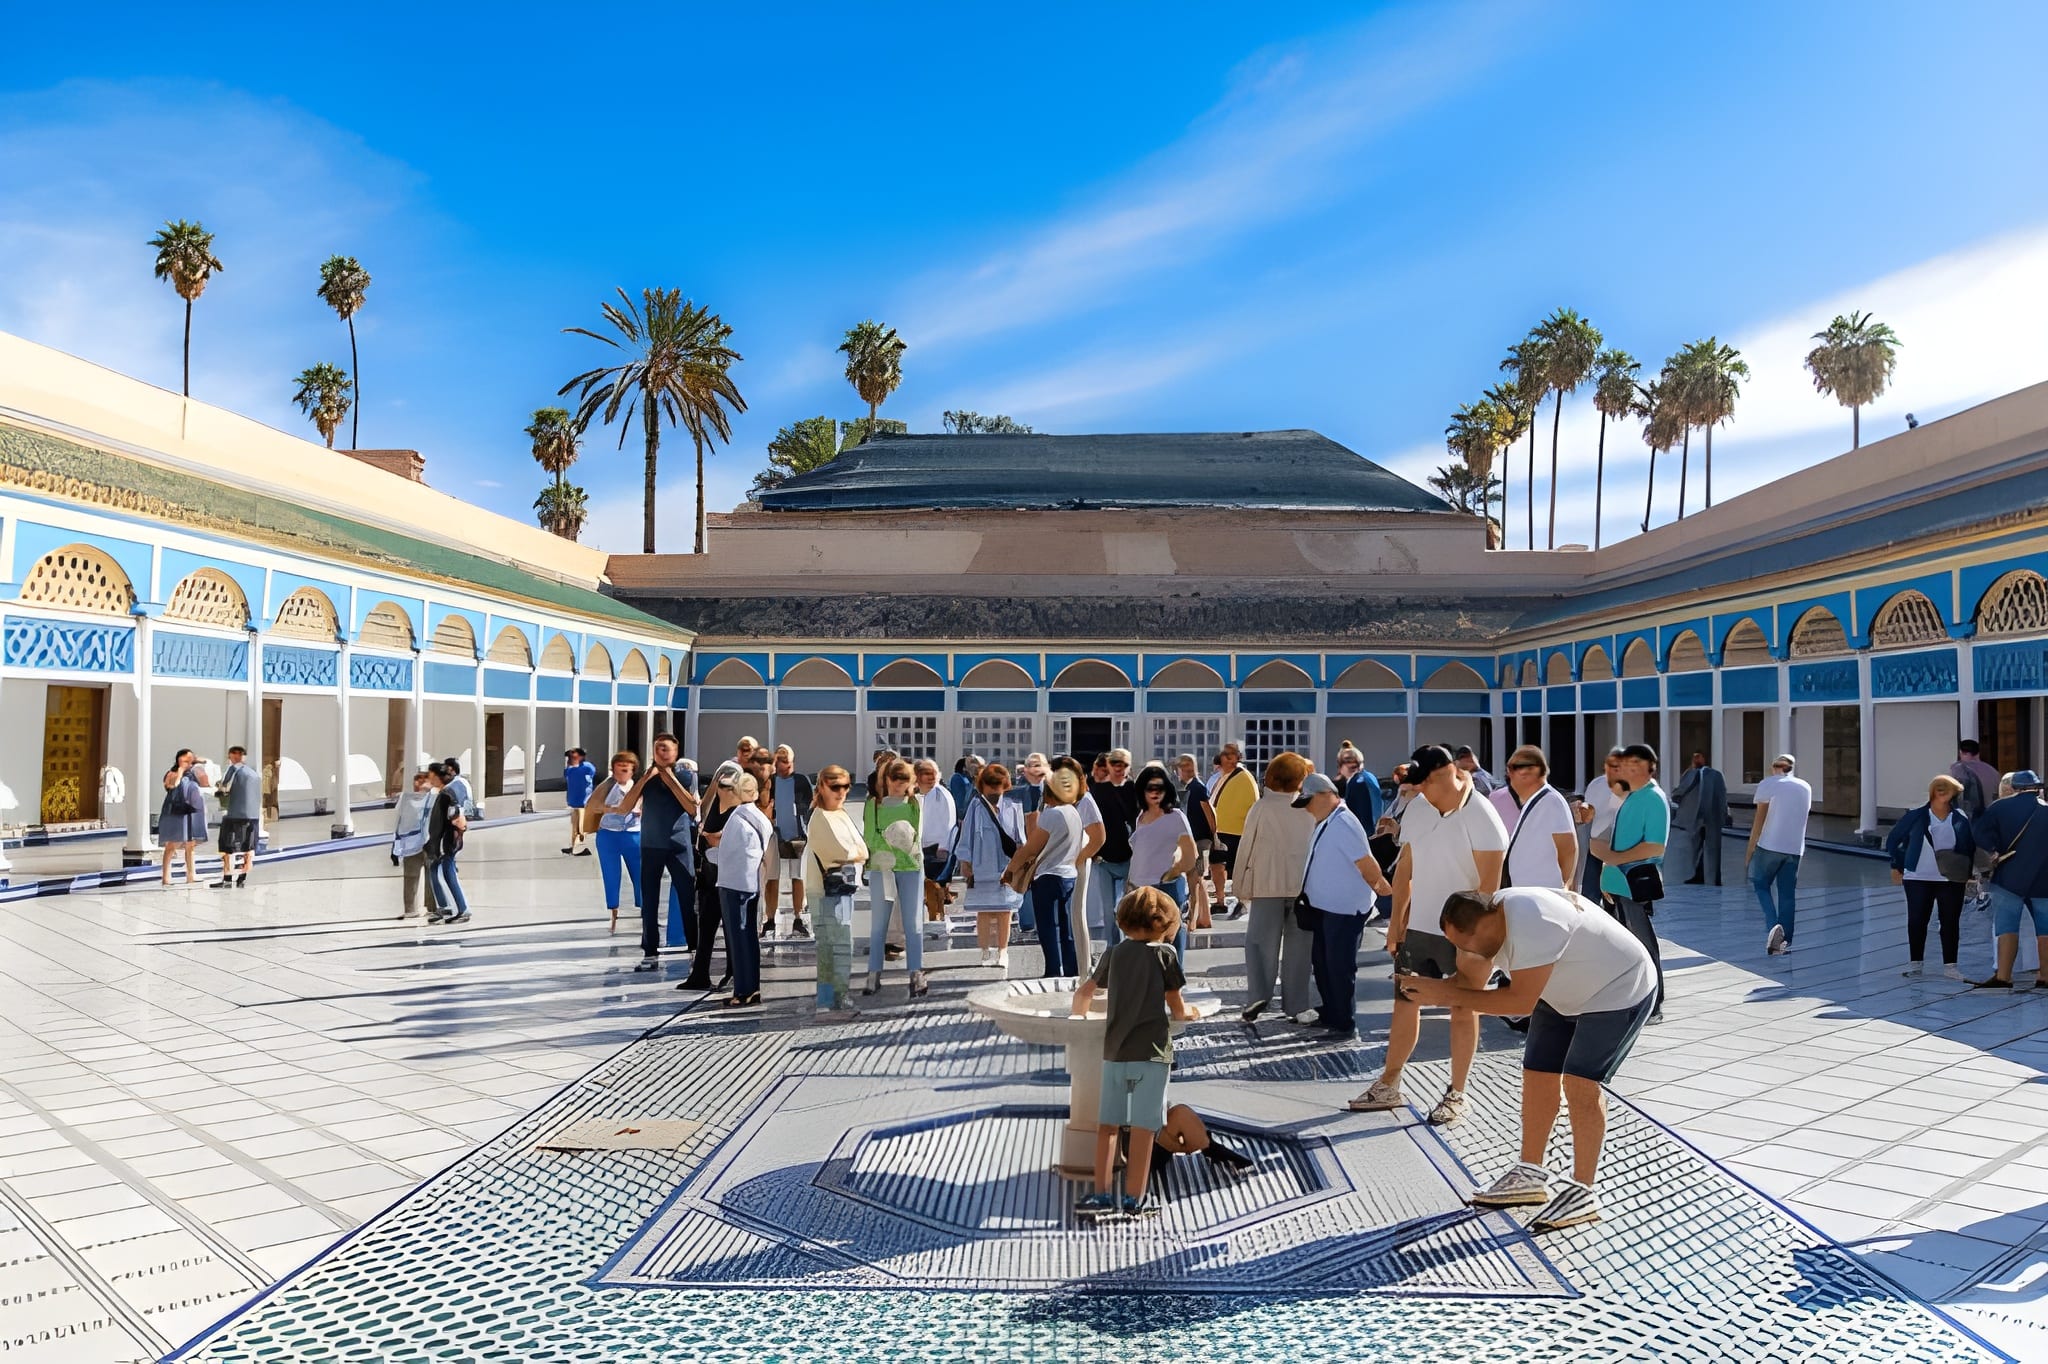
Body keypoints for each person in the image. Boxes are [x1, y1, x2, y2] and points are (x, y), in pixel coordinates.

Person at [1403, 887, 1657, 1232]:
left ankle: (1584, 1191)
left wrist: (1444, 994)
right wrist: (1429, 987)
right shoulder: (1488, 927)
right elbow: (1467, 986)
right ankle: (1530, 1174)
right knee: (1536, 1074)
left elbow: (1519, 1003)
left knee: (1580, 1083)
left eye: (1465, 943)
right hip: (1562, 992)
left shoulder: (1533, 920)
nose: (1465, 952)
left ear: (1486, 923)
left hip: (1619, 987)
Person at [1349, 744, 1507, 1125]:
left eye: (1423, 783)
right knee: (1405, 1001)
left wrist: (1477, 947)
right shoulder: (1418, 808)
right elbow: (1406, 870)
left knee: (1463, 1008)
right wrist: (1397, 925)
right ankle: (1389, 1083)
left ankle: (1457, 1093)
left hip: (1464, 934)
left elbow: (1489, 888)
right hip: (1420, 926)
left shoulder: (1483, 815)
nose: (1418, 791)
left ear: (1445, 773)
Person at [1068, 886, 1197, 1219]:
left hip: (1115, 1054)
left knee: (1107, 1127)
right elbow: (1176, 1007)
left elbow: (1085, 992)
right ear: (1163, 924)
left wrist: (1077, 1018)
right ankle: (1133, 1200)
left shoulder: (1114, 953)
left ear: (1122, 921)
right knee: (1142, 1132)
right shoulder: (1164, 955)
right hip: (1152, 1055)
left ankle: (1099, 1195)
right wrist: (1190, 1014)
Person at [1295, 772, 1396, 1037]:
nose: (1306, 808)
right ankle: (1331, 1011)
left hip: (1344, 909)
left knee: (1339, 966)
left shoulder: (1344, 823)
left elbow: (1366, 864)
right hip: (1326, 907)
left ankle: (1343, 1020)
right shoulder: (1329, 820)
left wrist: (1385, 891)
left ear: (1325, 795)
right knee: (1324, 963)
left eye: (1308, 801)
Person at [1233, 752, 1319, 1023]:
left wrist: (1240, 886)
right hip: (1303, 887)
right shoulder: (1309, 807)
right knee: (1300, 948)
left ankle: (1259, 995)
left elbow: (1246, 846)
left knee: (1259, 943)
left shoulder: (1262, 806)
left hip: (1266, 883)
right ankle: (1296, 1004)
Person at [1590, 743, 1668, 1022]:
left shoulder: (1653, 799)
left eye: (1635, 765)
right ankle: (1631, 999)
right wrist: (1606, 872)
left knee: (1644, 947)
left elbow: (1655, 847)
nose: (1628, 770)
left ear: (1650, 768)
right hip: (1617, 884)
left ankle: (1654, 1005)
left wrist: (1613, 857)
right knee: (1624, 947)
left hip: (1633, 883)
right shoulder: (1632, 797)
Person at [1885, 775, 1975, 979]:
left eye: (1947, 788)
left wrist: (1969, 873)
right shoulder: (1916, 815)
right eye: (1939, 788)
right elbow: (1893, 840)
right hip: (1917, 876)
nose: (1942, 791)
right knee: (1917, 920)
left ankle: (1950, 966)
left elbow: (1968, 847)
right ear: (1932, 791)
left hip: (1951, 878)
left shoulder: (1959, 817)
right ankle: (1915, 963)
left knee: (1950, 922)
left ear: (1955, 792)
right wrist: (1897, 864)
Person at [1964, 769, 2048, 990]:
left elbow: (1979, 832)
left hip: (2009, 877)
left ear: (2014, 788)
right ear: (2037, 788)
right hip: (2043, 879)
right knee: (2045, 929)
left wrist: (1993, 850)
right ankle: (2045, 977)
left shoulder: (2000, 807)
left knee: (2007, 926)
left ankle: (2003, 976)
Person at [622, 733, 698, 974]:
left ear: (675, 752)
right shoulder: (648, 778)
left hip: (678, 844)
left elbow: (691, 809)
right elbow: (626, 806)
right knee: (650, 900)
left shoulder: (685, 775)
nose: (662, 753)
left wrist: (671, 778)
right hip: (651, 844)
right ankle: (650, 951)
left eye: (666, 749)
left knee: (687, 896)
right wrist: (645, 779)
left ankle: (695, 948)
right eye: (658, 749)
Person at [1005, 766, 1087, 977]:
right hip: (1069, 874)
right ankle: (1071, 968)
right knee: (1067, 927)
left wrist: (1010, 870)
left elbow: (1032, 847)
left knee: (1048, 927)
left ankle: (1053, 968)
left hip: (1048, 875)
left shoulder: (1052, 815)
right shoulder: (1074, 812)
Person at [863, 757, 928, 999]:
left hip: (910, 866)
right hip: (882, 868)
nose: (900, 785)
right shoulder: (874, 805)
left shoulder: (915, 804)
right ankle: (873, 973)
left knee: (913, 924)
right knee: (879, 924)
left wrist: (895, 844)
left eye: (905, 780)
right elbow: (869, 836)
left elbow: (916, 836)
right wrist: (891, 846)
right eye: (896, 779)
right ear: (886, 779)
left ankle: (915, 972)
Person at [805, 765, 868, 1015]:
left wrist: (854, 853)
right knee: (830, 947)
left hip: (844, 890)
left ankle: (838, 995)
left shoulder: (841, 814)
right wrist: (854, 853)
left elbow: (863, 850)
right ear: (821, 787)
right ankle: (828, 998)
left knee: (842, 946)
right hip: (823, 891)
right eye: (835, 787)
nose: (841, 792)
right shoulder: (819, 817)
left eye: (845, 786)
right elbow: (842, 852)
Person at [708, 770, 772, 1008]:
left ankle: (744, 991)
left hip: (733, 885)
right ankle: (750, 987)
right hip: (750, 883)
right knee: (748, 938)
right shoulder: (759, 818)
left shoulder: (737, 819)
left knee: (738, 939)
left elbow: (729, 854)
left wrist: (709, 851)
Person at [1125, 763, 1199, 961]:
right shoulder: (1140, 817)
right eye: (1150, 788)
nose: (1155, 792)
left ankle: (1173, 990)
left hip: (1166, 889)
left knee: (1171, 950)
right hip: (1140, 890)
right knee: (1144, 951)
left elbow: (1191, 855)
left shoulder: (1176, 817)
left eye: (1160, 788)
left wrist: (1172, 873)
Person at [957, 762, 1027, 967]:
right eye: (990, 785)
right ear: (982, 786)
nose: (995, 790)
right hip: (981, 865)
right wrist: (965, 861)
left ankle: (1003, 951)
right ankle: (985, 949)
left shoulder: (1013, 807)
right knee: (984, 911)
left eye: (998, 785)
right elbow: (966, 835)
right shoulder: (975, 806)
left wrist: (1019, 866)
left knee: (1005, 911)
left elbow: (1020, 839)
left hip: (1006, 867)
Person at [1746, 753, 1812, 955]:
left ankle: (1774, 928)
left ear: (1774, 767)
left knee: (1760, 884)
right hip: (1794, 848)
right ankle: (1785, 943)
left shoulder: (1768, 784)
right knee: (1787, 894)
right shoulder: (1805, 787)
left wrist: (1750, 849)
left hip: (1770, 845)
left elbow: (1760, 819)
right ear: (1791, 768)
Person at [1501, 745, 1577, 892]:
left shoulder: (1551, 802)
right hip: (1529, 895)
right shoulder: (1536, 801)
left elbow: (1568, 849)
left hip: (1545, 896)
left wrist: (1566, 888)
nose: (1510, 779)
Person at [590, 751, 644, 934]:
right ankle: (613, 912)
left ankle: (646, 911)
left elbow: (646, 804)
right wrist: (612, 809)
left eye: (625, 770)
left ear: (632, 771)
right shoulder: (606, 786)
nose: (621, 773)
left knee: (641, 874)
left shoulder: (638, 787)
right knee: (611, 874)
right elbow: (592, 806)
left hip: (633, 834)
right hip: (608, 835)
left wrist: (639, 810)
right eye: (617, 769)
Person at [764, 744, 814, 940]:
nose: (783, 765)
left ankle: (798, 916)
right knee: (772, 877)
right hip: (775, 834)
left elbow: (808, 805)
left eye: (786, 761)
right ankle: (770, 918)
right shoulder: (771, 781)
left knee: (797, 876)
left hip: (797, 835)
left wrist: (803, 826)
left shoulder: (801, 781)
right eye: (780, 760)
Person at [1090, 750, 1140, 942]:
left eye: (1124, 765)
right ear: (1109, 765)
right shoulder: (1098, 791)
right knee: (1108, 908)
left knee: (1130, 905)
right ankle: (1113, 948)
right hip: (1104, 857)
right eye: (1115, 764)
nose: (1119, 768)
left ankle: (1132, 943)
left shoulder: (1134, 790)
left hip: (1130, 856)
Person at [1206, 743, 1259, 916]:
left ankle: (1242, 901)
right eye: (1225, 756)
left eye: (1231, 756)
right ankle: (1220, 900)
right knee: (1216, 865)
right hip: (1220, 830)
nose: (1227, 760)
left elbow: (1253, 804)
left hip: (1238, 831)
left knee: (1238, 869)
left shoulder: (1244, 777)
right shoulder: (1223, 776)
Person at [1572, 749, 1627, 902]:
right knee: (1591, 896)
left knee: (1621, 899)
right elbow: (1588, 814)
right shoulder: (1596, 784)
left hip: (1621, 848)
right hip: (1597, 846)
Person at [915, 758, 959, 939]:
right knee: (928, 889)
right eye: (925, 773)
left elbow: (950, 822)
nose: (930, 777)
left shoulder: (942, 793)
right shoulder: (916, 795)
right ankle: (934, 920)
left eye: (933, 773)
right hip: (920, 846)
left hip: (937, 848)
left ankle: (937, 922)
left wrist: (944, 847)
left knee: (934, 887)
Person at [1670, 752, 1729, 886]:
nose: (1697, 759)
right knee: (1696, 847)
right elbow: (1681, 791)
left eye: (1699, 756)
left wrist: (1724, 813)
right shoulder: (1691, 774)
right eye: (1695, 757)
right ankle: (1698, 875)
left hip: (1710, 816)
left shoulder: (1713, 775)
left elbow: (1722, 795)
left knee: (1711, 848)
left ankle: (1713, 878)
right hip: (1696, 818)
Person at [423, 762, 470, 924]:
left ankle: (462, 909)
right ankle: (445, 907)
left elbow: (456, 816)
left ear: (437, 776)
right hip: (441, 841)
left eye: (430, 776)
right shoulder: (443, 792)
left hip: (445, 842)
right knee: (435, 871)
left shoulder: (448, 793)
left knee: (448, 873)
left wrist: (457, 827)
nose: (429, 779)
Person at [158, 750, 211, 887]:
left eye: (190, 760)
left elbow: (206, 782)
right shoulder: (172, 773)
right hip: (175, 810)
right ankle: (166, 877)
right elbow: (172, 785)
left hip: (191, 810)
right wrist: (180, 771)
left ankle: (191, 875)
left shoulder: (194, 773)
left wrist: (198, 762)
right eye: (184, 760)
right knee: (172, 844)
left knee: (190, 844)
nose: (188, 763)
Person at [211, 745, 261, 889]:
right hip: (252, 816)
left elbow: (224, 789)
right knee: (247, 846)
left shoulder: (233, 770)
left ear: (230, 756)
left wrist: (218, 789)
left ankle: (227, 878)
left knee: (227, 846)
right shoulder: (254, 773)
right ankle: (241, 878)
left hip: (234, 814)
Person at [1176, 753, 1217, 928]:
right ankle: (1204, 918)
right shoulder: (1192, 787)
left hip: (1200, 839)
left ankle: (1192, 920)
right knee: (1199, 880)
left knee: (1195, 879)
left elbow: (1209, 812)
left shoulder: (1197, 788)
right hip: (1200, 839)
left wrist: (1214, 835)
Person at [391, 769, 434, 919]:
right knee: (410, 877)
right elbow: (399, 822)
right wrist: (394, 847)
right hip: (410, 844)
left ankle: (433, 908)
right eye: (418, 780)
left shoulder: (434, 797)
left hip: (430, 842)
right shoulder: (406, 799)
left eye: (424, 780)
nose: (420, 783)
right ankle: (410, 909)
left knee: (431, 877)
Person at [1336, 743, 1383, 830]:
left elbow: (1357, 814)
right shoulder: (1369, 776)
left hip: (1364, 833)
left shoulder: (1356, 783)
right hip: (1374, 829)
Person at [1950, 740, 2000, 819]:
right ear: (1978, 753)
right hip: (1989, 818)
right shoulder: (1993, 771)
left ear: (1961, 752)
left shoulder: (1957, 769)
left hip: (1967, 819)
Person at [561, 748, 596, 856]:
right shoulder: (570, 770)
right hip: (575, 802)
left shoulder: (587, 767)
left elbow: (590, 777)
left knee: (581, 827)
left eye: (574, 757)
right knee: (575, 826)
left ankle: (581, 847)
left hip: (583, 802)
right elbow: (567, 775)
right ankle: (574, 847)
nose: (571, 759)